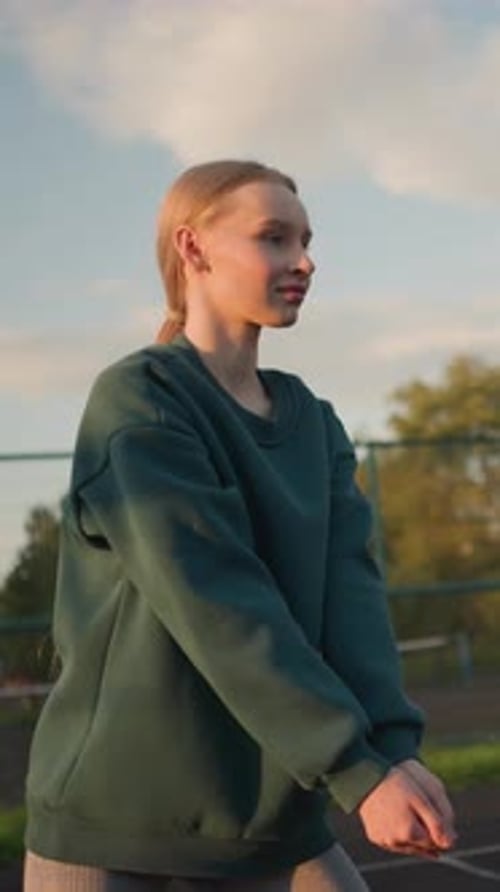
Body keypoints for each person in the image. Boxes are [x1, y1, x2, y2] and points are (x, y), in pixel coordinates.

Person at [24, 160, 456, 891]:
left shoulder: (313, 423)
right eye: (275, 238)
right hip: (118, 828)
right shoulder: (140, 399)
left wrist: (392, 748)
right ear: (193, 249)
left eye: (307, 240)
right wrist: (354, 767)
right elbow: (213, 596)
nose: (305, 260)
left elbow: (352, 596)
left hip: (270, 824)